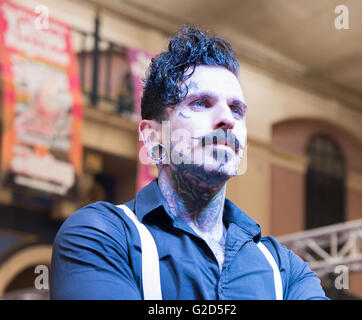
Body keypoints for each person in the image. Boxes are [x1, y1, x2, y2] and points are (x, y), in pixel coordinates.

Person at [50, 26, 329, 300]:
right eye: (200, 103)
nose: (227, 120)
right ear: (153, 137)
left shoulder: (287, 271)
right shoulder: (101, 236)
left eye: (236, 109)